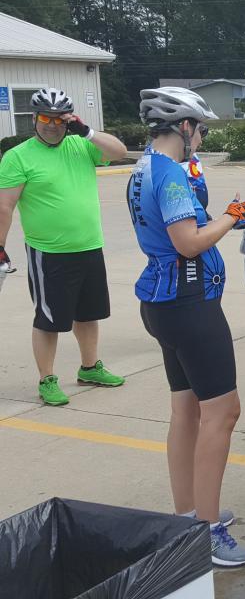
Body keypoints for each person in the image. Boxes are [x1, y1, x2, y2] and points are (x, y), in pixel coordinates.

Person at [130, 86, 245, 567]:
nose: (202, 137)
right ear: (184, 127)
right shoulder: (169, 174)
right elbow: (188, 242)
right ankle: (206, 533)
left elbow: (182, 230)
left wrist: (227, 221)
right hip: (189, 305)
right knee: (223, 413)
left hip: (164, 303)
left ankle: (189, 513)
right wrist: (229, 215)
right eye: (200, 129)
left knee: (185, 410)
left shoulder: (144, 167)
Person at [0, 88, 128, 407]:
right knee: (49, 319)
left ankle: (90, 367)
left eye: (60, 119)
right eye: (46, 118)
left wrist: (86, 131)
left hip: (89, 247)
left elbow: (120, 151)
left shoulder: (81, 145)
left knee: (88, 314)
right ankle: (47, 379)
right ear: (34, 119)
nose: (52, 125)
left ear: (69, 120)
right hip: (49, 254)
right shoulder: (18, 156)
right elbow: (5, 206)